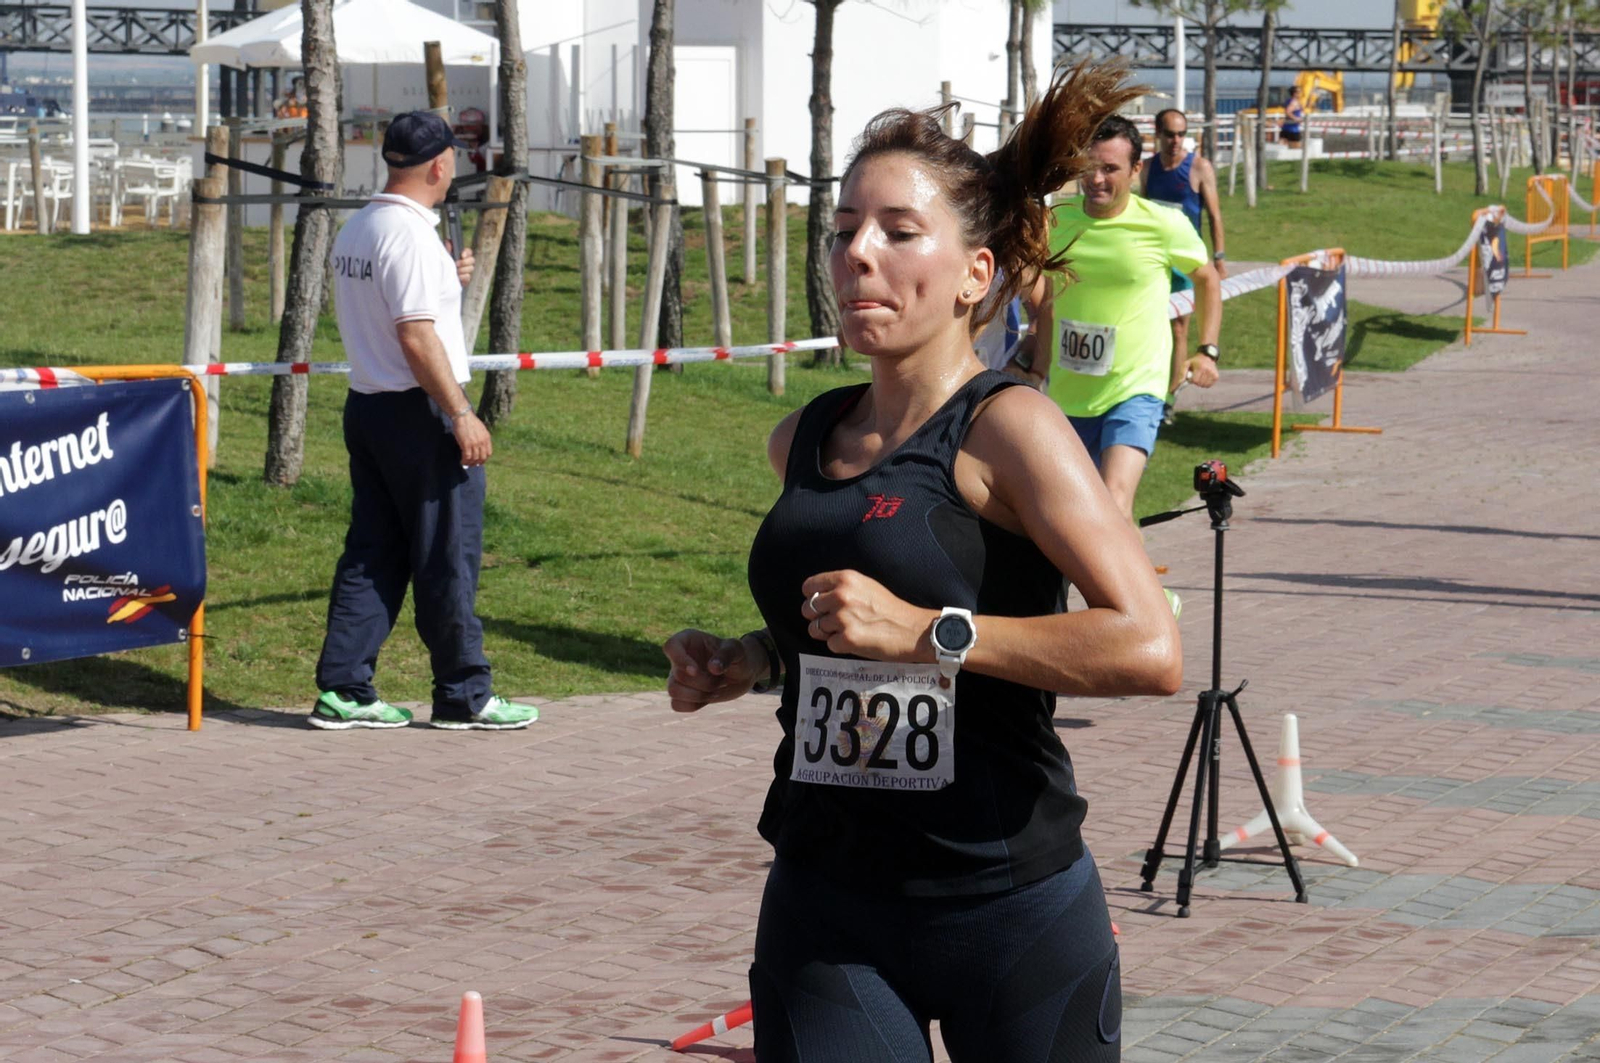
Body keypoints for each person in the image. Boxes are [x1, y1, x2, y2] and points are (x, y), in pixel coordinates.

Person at [662, 62, 1182, 1063]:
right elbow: (843, 628)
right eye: (844, 228)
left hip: (1008, 905)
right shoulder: (801, 439)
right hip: (827, 903)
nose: (858, 252)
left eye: (898, 232)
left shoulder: (1010, 430)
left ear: (974, 275)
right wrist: (752, 659)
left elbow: (1148, 646)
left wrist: (927, 636)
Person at [309, 111, 537, 733]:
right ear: (441, 165)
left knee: (374, 552)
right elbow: (414, 334)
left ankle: (344, 687)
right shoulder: (408, 235)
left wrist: (445, 278)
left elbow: (395, 306)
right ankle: (464, 694)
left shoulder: (360, 226)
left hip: (369, 405)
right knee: (448, 555)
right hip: (419, 410)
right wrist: (461, 412)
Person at [1011, 113, 1223, 528]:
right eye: (1089, 167)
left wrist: (1206, 350)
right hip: (1071, 391)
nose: (1097, 179)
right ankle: (1151, 596)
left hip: (1136, 386)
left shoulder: (1162, 225)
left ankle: (1128, 597)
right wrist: (1035, 364)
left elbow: (1207, 279)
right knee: (1078, 517)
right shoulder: (1058, 221)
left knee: (1113, 500)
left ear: (1135, 170)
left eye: (1110, 169)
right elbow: (1049, 298)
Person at [1139, 108, 1227, 424]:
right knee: (1148, 325)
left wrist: (1219, 257)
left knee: (1179, 329)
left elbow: (1215, 216)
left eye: (1181, 134)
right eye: (1170, 134)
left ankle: (1168, 399)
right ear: (1158, 135)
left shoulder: (1199, 167)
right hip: (1154, 259)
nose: (1176, 141)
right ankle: (1146, 389)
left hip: (1187, 263)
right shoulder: (1147, 169)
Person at [1281, 84, 1305, 150]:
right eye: (1299, 92)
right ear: (1295, 93)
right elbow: (1288, 112)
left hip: (1286, 127)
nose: (1301, 93)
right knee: (1296, 149)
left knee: (1283, 148)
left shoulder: (1290, 101)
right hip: (1293, 129)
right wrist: (1296, 119)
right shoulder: (1294, 102)